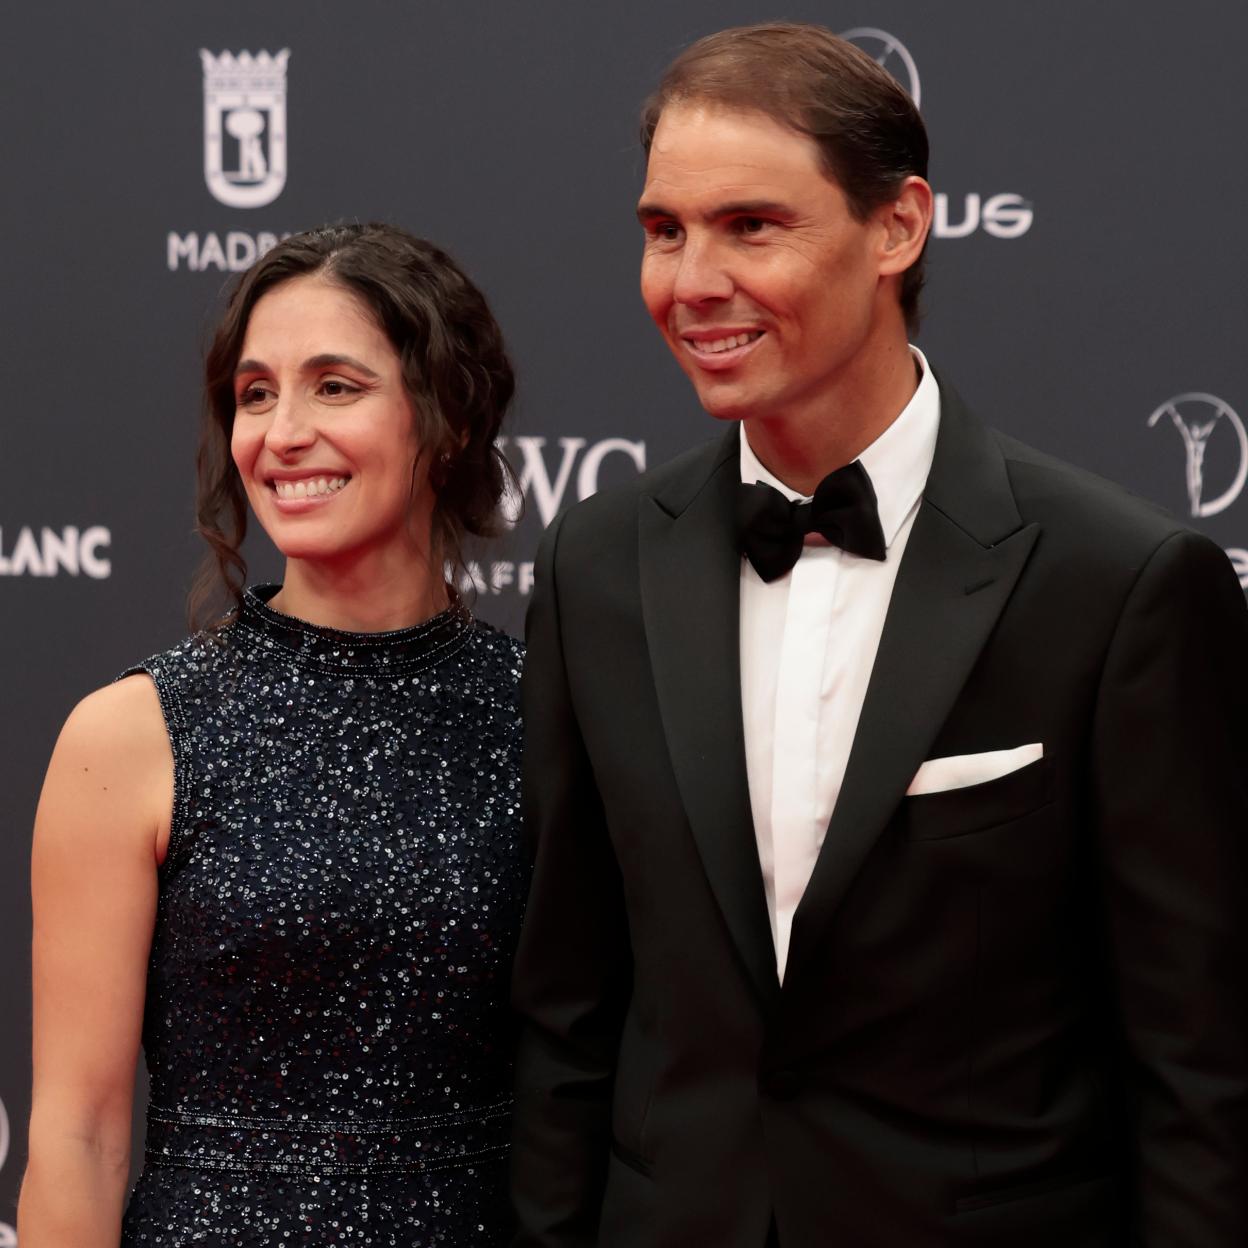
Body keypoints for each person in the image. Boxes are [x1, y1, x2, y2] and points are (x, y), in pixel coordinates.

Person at [510, 22, 1248, 1247]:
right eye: (664, 230)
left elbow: (1201, 1065)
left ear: (897, 228)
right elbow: (568, 1014)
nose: (691, 280)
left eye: (753, 226)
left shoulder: (1120, 585)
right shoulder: (597, 568)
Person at [20, 223, 527, 1246]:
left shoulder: (548, 711)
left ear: (450, 419)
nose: (282, 432)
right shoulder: (133, 735)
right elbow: (78, 1135)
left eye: (335, 386)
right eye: (255, 394)